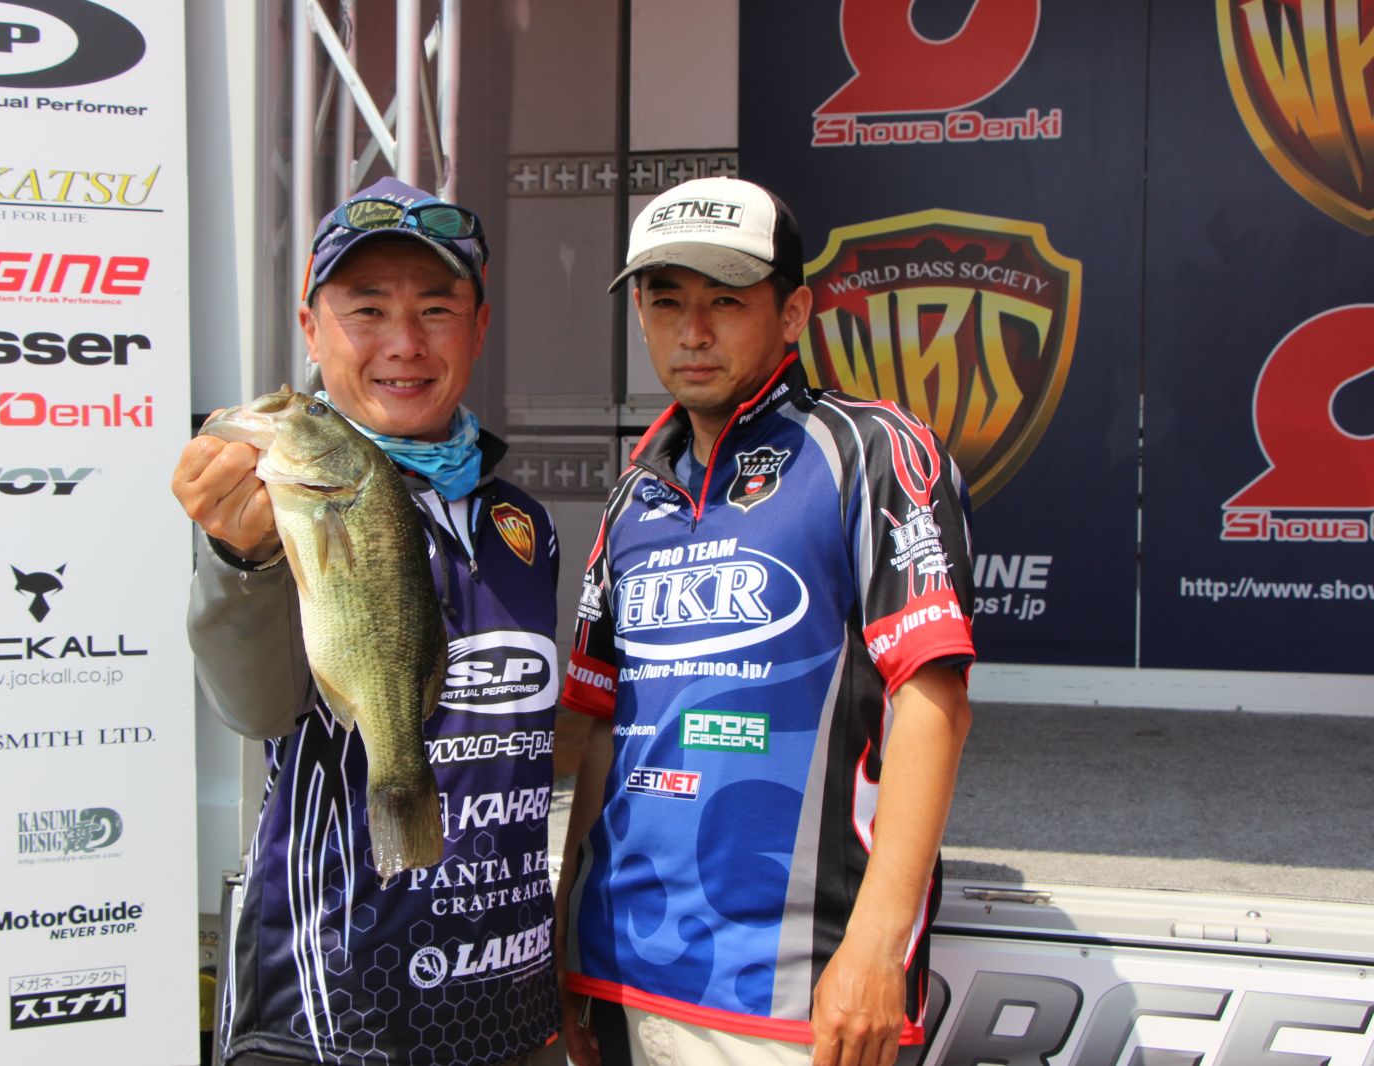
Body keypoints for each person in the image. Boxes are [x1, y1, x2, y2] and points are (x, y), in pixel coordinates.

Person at [555, 176, 976, 1066]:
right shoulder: (634, 495)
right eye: (666, 301)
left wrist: (876, 950)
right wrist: (566, 941)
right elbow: (598, 733)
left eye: (725, 302)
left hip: (796, 996)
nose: (692, 332)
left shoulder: (871, 450)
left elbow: (934, 702)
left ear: (793, 313)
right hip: (622, 972)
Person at [173, 177, 564, 1066]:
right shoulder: (275, 508)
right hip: (331, 1006)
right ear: (310, 331)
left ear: (479, 327)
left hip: (510, 1001)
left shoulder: (523, 521)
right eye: (367, 310)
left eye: (436, 310)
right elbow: (257, 707)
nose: (403, 343)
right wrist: (239, 562)